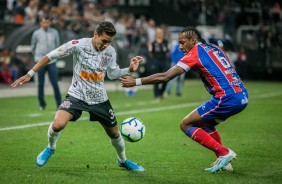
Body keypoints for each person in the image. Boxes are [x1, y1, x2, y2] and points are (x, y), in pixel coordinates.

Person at [11, 21, 144, 171]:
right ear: (95, 34)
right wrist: (30, 74)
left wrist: (130, 69)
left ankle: (123, 160)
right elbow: (50, 56)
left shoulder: (110, 52)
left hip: (99, 99)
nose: (106, 44)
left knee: (114, 133)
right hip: (77, 95)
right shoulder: (78, 45)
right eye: (104, 40)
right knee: (57, 124)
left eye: (109, 42)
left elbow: (113, 74)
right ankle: (50, 147)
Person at [120, 26, 248, 173]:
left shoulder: (195, 53)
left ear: (193, 40)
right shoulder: (214, 47)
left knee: (186, 124)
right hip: (241, 95)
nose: (180, 47)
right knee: (205, 124)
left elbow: (165, 76)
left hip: (226, 98)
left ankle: (224, 152)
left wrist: (135, 82)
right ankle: (224, 162)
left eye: (182, 42)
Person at [31, 16, 62, 110]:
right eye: (44, 22)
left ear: (49, 23)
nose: (45, 24)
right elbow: (33, 46)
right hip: (40, 61)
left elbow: (58, 45)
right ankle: (42, 104)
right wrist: (37, 58)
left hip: (52, 61)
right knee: (41, 83)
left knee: (55, 83)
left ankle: (59, 104)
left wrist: (55, 56)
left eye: (47, 22)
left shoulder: (54, 32)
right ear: (41, 23)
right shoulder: (36, 33)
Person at [147, 27, 170, 100]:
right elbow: (150, 53)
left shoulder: (165, 42)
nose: (160, 34)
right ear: (156, 34)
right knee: (155, 78)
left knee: (166, 77)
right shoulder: (153, 43)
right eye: (158, 32)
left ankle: (161, 92)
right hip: (156, 61)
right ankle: (156, 94)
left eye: (161, 32)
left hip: (164, 61)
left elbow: (167, 52)